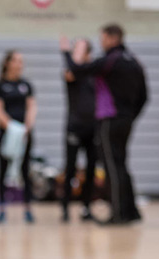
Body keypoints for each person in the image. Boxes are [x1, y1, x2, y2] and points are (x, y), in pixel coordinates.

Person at [60, 24, 148, 225]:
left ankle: (117, 213)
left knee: (111, 166)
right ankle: (130, 211)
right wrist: (131, 116)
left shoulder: (111, 60)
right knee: (122, 164)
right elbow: (145, 96)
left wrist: (65, 52)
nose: (101, 42)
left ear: (112, 38)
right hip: (125, 120)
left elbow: (76, 69)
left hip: (109, 119)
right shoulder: (134, 61)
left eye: (102, 38)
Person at [0, 50, 37, 224]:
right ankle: (1, 209)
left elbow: (32, 106)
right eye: (16, 60)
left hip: (24, 135)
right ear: (8, 63)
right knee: (2, 170)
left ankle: (27, 208)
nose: (19, 64)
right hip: (6, 134)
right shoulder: (0, 86)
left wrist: (26, 127)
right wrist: (11, 127)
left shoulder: (26, 85)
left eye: (21, 61)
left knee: (25, 171)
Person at [61, 38, 99, 223]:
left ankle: (86, 207)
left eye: (82, 49)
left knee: (91, 168)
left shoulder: (95, 72)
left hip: (93, 127)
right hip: (74, 126)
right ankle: (65, 207)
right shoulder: (72, 72)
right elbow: (71, 71)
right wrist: (67, 53)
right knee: (70, 168)